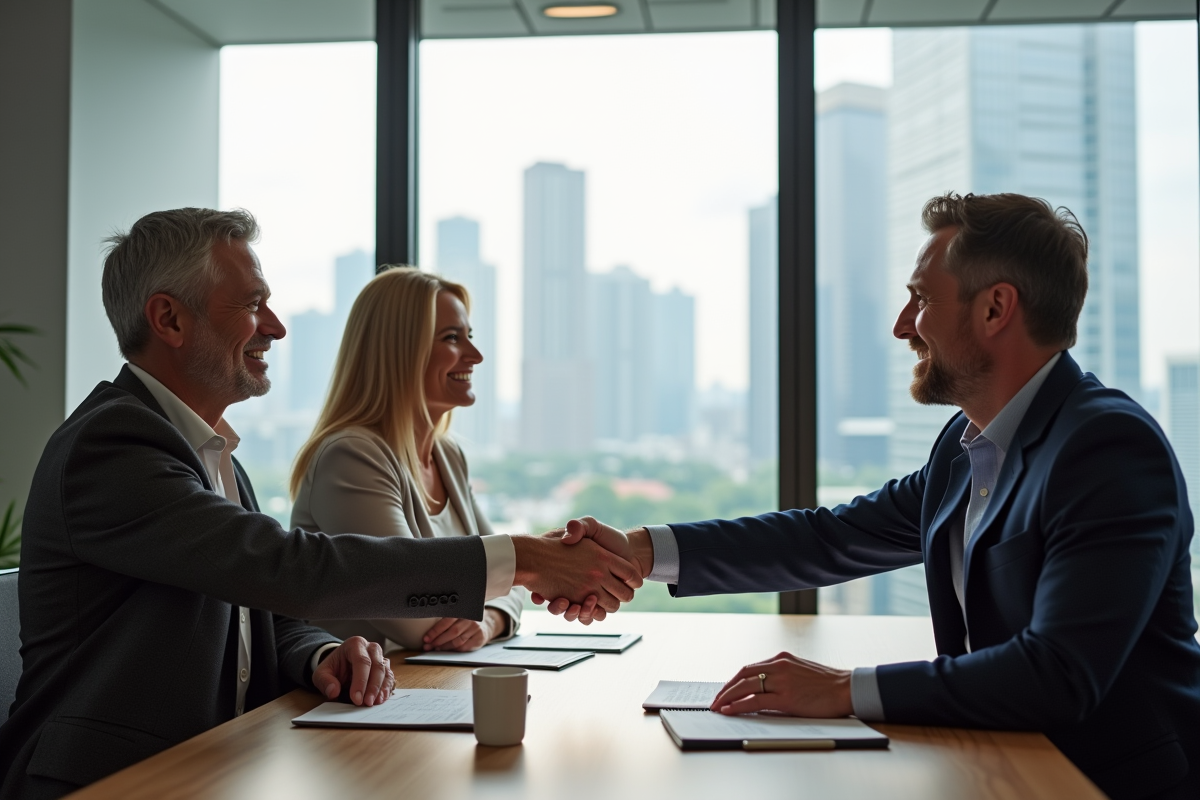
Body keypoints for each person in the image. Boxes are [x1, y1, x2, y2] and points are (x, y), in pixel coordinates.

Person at [548, 193, 1200, 800]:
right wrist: (637, 553)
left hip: (1100, 783)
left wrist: (844, 689)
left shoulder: (1107, 449)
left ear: (996, 308)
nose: (900, 326)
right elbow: (829, 537)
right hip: (994, 761)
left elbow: (1057, 674)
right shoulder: (964, 446)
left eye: (920, 299)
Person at [0, 208, 640, 800]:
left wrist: (320, 655)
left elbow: (264, 610)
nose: (276, 327)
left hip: (216, 761)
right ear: (168, 319)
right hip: (112, 780)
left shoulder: (212, 452)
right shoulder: (113, 446)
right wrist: (523, 560)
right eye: (254, 305)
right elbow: (289, 570)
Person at [290, 268, 523, 653]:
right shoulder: (352, 456)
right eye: (452, 338)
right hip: (348, 704)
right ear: (398, 350)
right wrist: (488, 601)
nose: (476, 356)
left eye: (470, 336)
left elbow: (513, 581)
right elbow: (416, 622)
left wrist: (492, 620)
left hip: (424, 687)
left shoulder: (449, 456)